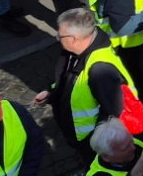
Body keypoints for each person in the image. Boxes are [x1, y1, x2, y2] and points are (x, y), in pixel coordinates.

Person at [37, 9, 132, 143]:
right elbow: (69, 82)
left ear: (73, 39)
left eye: (60, 36)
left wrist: (93, 143)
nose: (58, 38)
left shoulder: (100, 70)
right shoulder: (72, 52)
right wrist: (51, 92)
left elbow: (115, 113)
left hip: (93, 142)